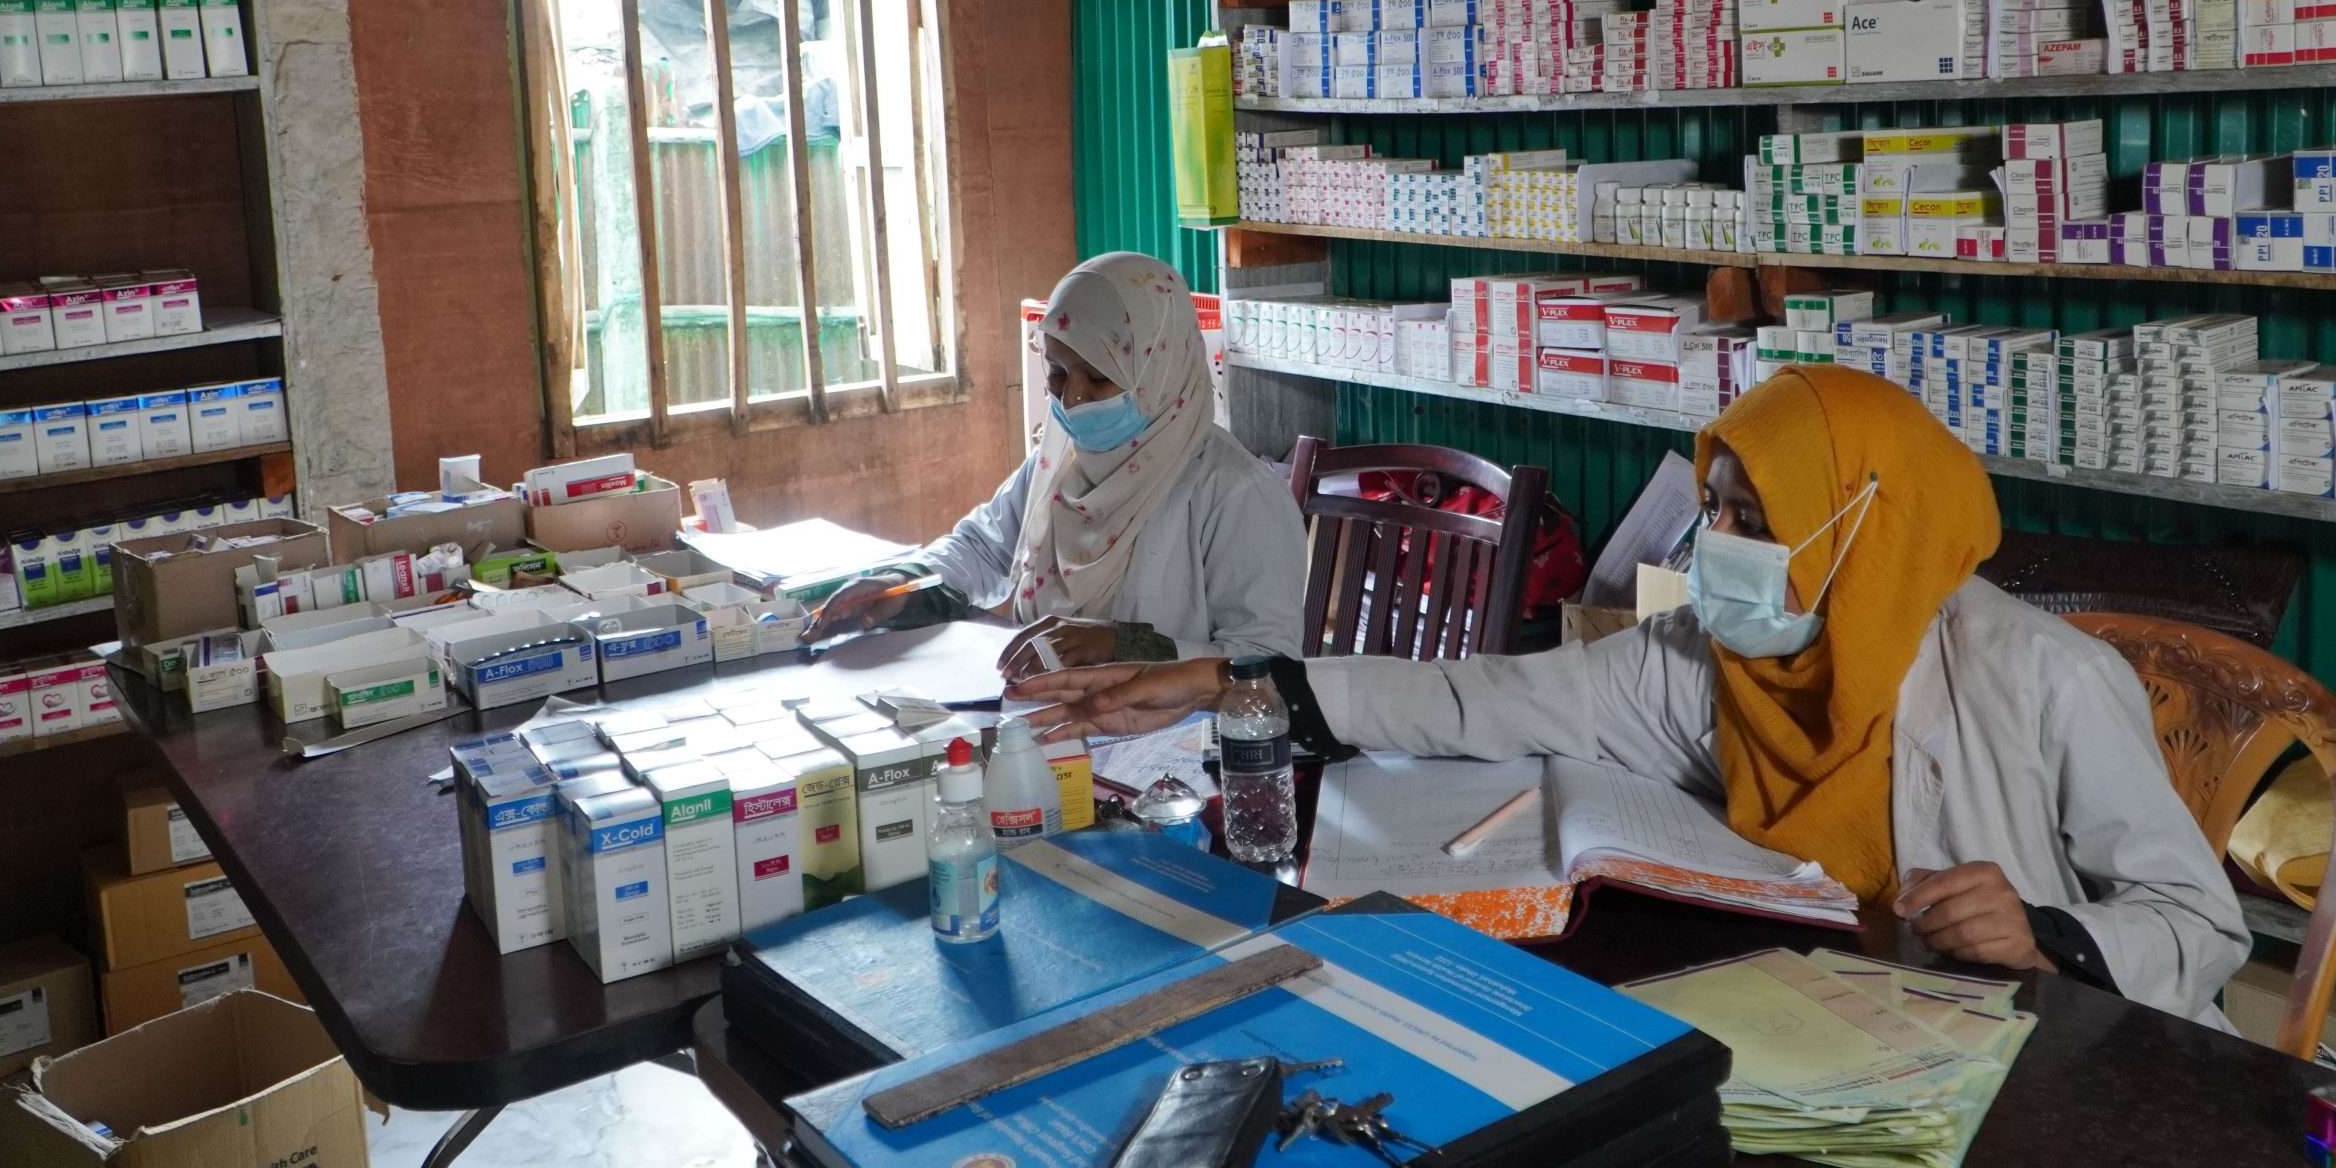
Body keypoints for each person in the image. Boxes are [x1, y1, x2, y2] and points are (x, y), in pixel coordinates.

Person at [1012, 365, 2252, 1026]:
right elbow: (1483, 701)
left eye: (1752, 521)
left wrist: (2050, 930)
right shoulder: (1715, 661)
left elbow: (2204, 928)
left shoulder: (2045, 683)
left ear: (1861, 531)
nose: (1713, 544)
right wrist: (1227, 683)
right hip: (1825, 1013)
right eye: (1715, 507)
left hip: (2030, 1050)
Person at [802, 252, 1306, 671]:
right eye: (1058, 375)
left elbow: (1268, 664)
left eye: (1100, 378)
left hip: (1175, 754)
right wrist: (903, 585)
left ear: (1160, 371)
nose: (1074, 401)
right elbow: (982, 549)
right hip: (1052, 723)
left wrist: (1122, 645)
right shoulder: (1059, 467)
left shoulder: (1236, 495)